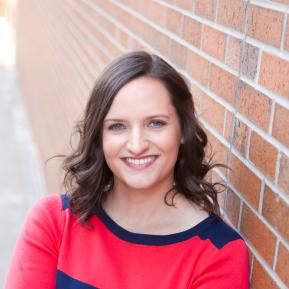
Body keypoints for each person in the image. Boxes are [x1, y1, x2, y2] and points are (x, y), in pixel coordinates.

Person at [4, 51, 250, 289]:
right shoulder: (54, 223)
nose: (137, 145)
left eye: (156, 123)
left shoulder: (218, 254)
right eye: (118, 126)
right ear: (99, 136)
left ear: (183, 130)